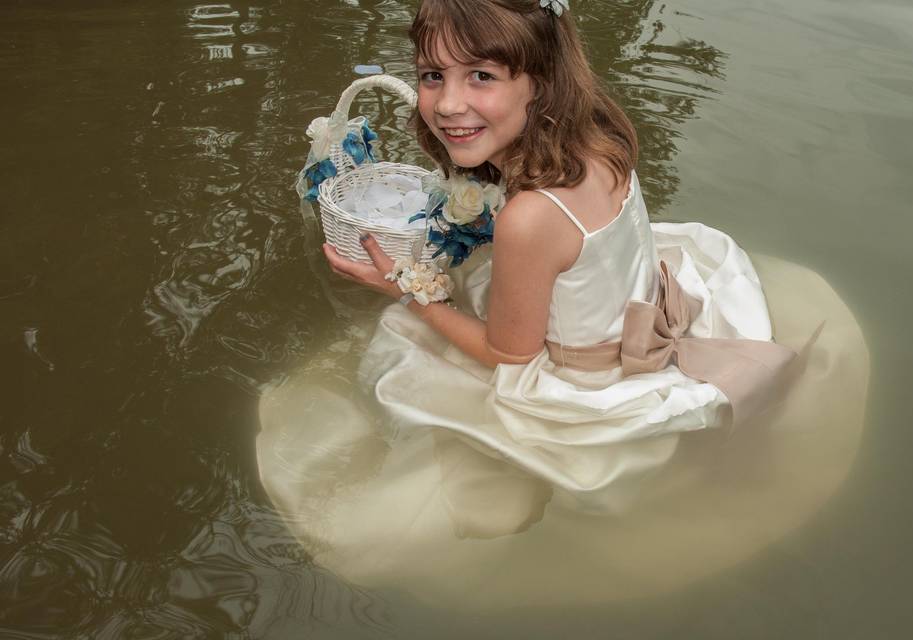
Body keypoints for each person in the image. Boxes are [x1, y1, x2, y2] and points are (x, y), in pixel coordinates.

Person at [257, 0, 868, 608]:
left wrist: (408, 292)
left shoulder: (530, 219)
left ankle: (502, 504)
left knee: (374, 503)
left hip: (581, 377)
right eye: (432, 75)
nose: (447, 103)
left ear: (539, 84)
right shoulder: (597, 134)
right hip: (637, 300)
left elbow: (507, 353)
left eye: (482, 76)